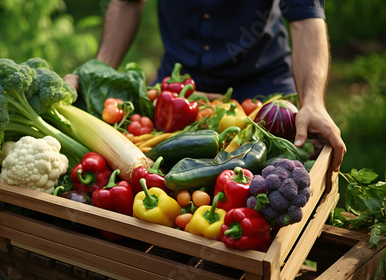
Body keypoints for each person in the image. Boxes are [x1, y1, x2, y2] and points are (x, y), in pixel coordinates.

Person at [64, 0, 346, 172]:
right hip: (177, 88)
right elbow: (127, 1)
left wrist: (312, 101)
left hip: (260, 84)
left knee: (283, 177)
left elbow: (305, 16)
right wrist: (97, 69)